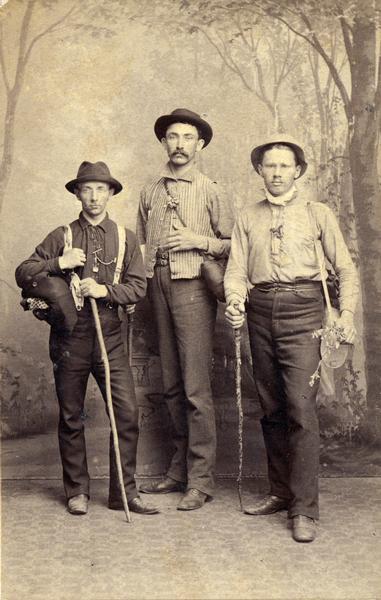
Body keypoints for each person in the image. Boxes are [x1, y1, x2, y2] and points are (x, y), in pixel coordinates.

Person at [224, 135, 359, 542]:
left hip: (306, 314)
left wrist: (347, 314)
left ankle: (304, 509)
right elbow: (236, 271)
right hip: (260, 313)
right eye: (270, 166)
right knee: (270, 407)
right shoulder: (247, 217)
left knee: (300, 409)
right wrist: (234, 300)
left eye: (285, 166)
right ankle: (280, 492)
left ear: (298, 171)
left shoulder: (318, 214)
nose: (277, 173)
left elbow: (347, 270)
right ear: (259, 171)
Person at [15, 161, 159, 516]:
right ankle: (77, 491)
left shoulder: (126, 237)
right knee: (71, 415)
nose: (94, 196)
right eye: (87, 189)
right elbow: (24, 272)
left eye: (101, 189)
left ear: (110, 193)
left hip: (110, 334)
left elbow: (138, 287)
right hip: (70, 335)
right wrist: (59, 263)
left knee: (126, 413)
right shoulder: (62, 235)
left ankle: (123, 492)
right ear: (77, 194)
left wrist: (105, 290)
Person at [136, 108, 233, 510]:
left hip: (194, 287)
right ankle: (178, 471)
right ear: (164, 143)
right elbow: (140, 245)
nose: (179, 144)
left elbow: (233, 244)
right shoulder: (150, 189)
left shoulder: (212, 189)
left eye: (187, 137)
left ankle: (201, 479)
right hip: (156, 287)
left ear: (200, 144)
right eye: (172, 137)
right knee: (171, 384)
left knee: (195, 387)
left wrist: (197, 239)